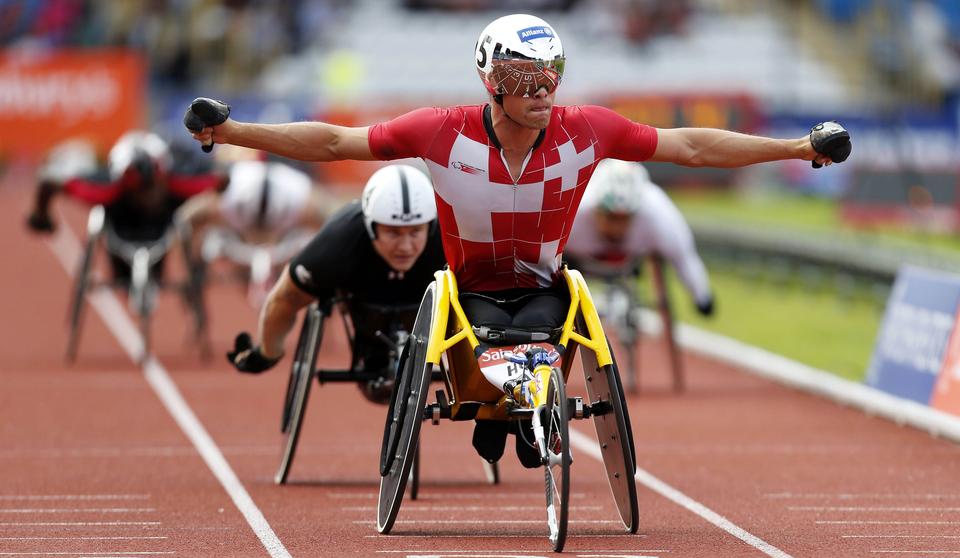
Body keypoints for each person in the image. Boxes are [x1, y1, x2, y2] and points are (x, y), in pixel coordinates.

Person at [186, 13, 851, 466]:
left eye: (551, 76)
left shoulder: (588, 129)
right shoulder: (438, 131)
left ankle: (520, 416)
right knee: (491, 363)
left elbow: (693, 147)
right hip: (467, 293)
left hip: (543, 289)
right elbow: (335, 142)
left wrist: (796, 147)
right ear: (492, 83)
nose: (542, 91)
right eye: (525, 80)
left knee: (539, 353)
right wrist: (233, 132)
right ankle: (493, 413)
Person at [226, 164, 445, 404]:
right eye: (393, 233)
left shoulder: (448, 241)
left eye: (415, 232)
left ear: (431, 226)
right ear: (371, 227)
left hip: (423, 295)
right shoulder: (337, 244)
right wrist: (266, 353)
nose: (405, 246)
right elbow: (284, 299)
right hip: (361, 299)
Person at [27, 130, 225, 283]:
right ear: (124, 185)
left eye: (153, 185)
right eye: (141, 189)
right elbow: (49, 181)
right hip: (121, 235)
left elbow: (222, 179)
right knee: (122, 279)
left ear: (163, 177)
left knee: (194, 221)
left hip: (162, 235)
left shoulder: (178, 183)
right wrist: (40, 215)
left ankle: (195, 275)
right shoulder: (107, 189)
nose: (149, 195)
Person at [565, 159, 714, 316]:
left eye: (625, 218)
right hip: (575, 261)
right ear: (596, 207)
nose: (616, 229)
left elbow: (683, 257)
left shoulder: (658, 214)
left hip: (632, 258)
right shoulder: (574, 211)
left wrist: (702, 297)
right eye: (610, 216)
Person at [175, 154, 329, 306]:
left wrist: (190, 268)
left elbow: (186, 219)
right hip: (275, 216)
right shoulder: (299, 195)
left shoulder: (298, 195)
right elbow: (187, 219)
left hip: (275, 217)